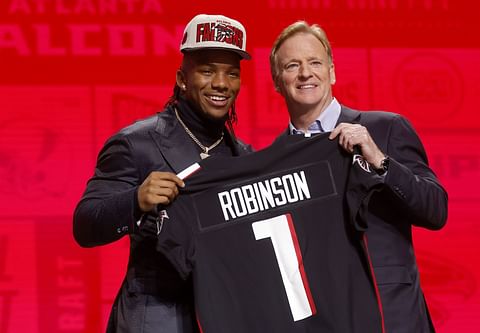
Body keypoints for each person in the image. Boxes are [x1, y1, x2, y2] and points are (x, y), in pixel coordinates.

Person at [73, 14, 252, 333]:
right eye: (208, 70)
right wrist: (136, 200)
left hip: (225, 315)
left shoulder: (245, 156)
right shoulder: (137, 143)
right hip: (156, 316)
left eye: (231, 73)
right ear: (183, 79)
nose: (221, 83)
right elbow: (85, 225)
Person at [270, 21, 448, 333]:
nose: (305, 73)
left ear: (332, 71)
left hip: (392, 320)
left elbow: (435, 210)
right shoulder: (271, 160)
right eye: (292, 65)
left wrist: (379, 159)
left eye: (315, 62)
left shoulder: (385, 128)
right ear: (276, 81)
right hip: (322, 322)